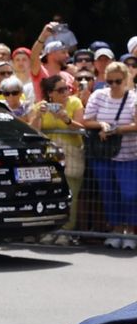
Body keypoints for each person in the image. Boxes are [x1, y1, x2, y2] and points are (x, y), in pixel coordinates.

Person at [81, 61, 137, 249]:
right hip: (103, 155)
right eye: (109, 81)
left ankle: (129, 231)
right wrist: (102, 125)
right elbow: (86, 121)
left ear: (126, 79)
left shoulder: (134, 99)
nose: (113, 85)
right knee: (108, 193)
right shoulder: (98, 95)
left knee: (128, 195)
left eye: (117, 81)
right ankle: (115, 229)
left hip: (128, 155)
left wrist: (116, 129)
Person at [28, 73, 85, 242]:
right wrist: (38, 115)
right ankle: (51, 229)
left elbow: (82, 128)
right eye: (60, 90)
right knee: (49, 195)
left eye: (66, 89)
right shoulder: (40, 106)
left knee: (70, 194)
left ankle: (66, 231)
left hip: (72, 155)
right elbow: (32, 130)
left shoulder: (75, 103)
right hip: (49, 157)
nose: (65, 93)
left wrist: (66, 119)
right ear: (50, 93)